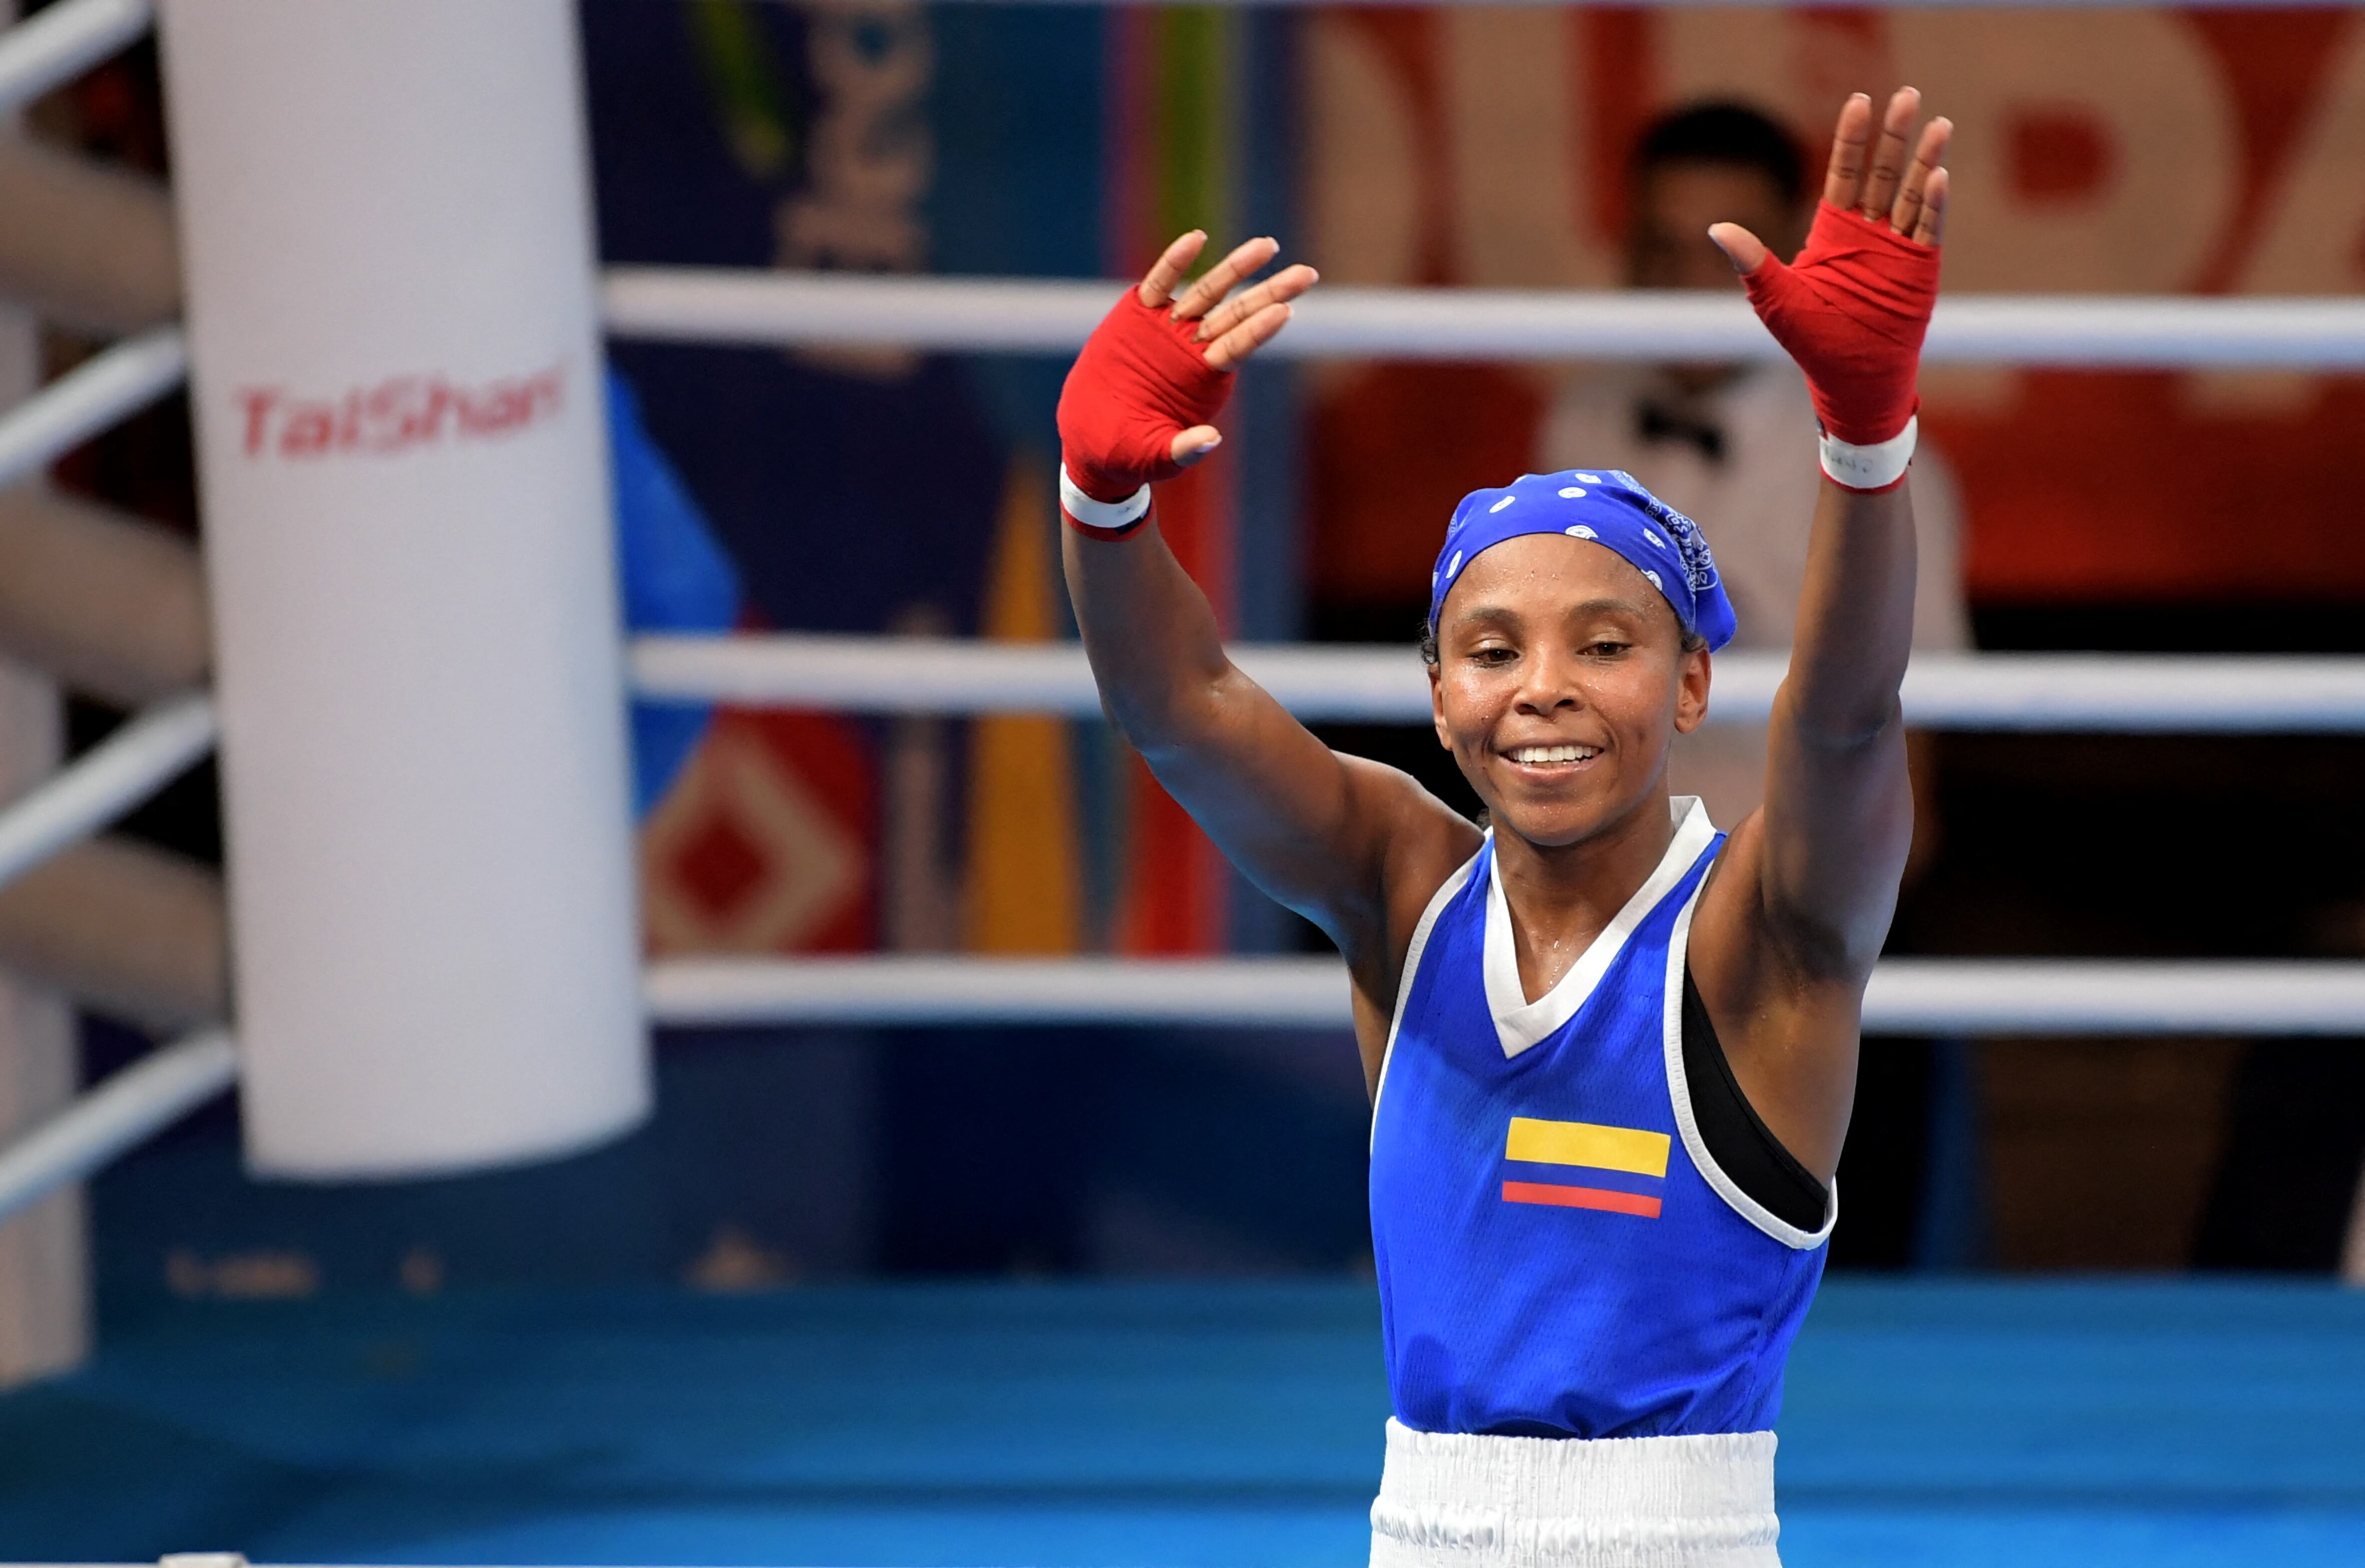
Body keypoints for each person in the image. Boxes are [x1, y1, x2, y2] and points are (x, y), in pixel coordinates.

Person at [1057, 86, 1947, 1568]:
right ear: (1436, 690)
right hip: (1416, 1531)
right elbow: (1183, 707)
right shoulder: (1398, 882)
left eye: (1604, 644)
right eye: (1492, 650)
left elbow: (1847, 722)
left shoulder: (1760, 939)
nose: (1543, 690)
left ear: (1690, 684)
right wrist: (1100, 504)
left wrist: (1865, 438)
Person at [1545, 101, 1968, 851]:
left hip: (1785, 911)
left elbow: (1912, 795)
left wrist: (1808, 943)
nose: (1686, 288)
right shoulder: (1580, 420)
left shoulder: (1889, 465)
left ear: (1791, 252)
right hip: (1590, 893)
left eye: (1722, 255)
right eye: (1660, 250)